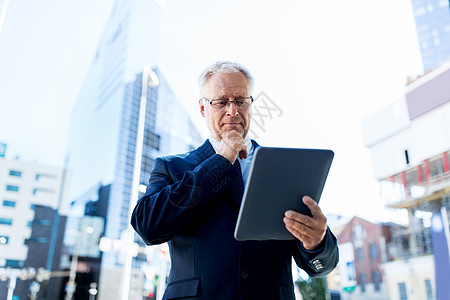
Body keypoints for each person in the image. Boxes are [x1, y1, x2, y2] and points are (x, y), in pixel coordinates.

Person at [131, 61, 339, 300]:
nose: (233, 111)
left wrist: (317, 241)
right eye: (221, 102)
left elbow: (320, 265)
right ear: (202, 109)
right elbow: (147, 225)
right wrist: (220, 161)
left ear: (250, 105)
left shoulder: (283, 168)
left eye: (241, 101)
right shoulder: (172, 167)